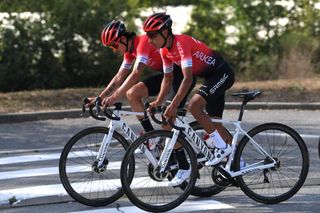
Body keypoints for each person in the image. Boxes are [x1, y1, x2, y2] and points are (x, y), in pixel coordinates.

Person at [143, 13, 235, 186]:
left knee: (194, 106)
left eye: (152, 35)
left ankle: (222, 149)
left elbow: (187, 78)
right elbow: (167, 79)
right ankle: (238, 163)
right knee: (215, 124)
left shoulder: (181, 43)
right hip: (210, 78)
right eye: (147, 35)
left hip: (222, 73)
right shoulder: (164, 51)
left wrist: (175, 104)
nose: (149, 40)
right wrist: (158, 102)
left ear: (165, 32)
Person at [88, 20, 196, 138]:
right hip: (168, 76)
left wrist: (114, 97)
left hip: (182, 77)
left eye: (114, 45)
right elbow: (119, 76)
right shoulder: (129, 53)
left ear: (123, 39)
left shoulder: (143, 42)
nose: (115, 50)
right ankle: (151, 137)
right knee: (132, 93)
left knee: (167, 123)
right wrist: (100, 97)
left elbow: (135, 74)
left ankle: (179, 155)